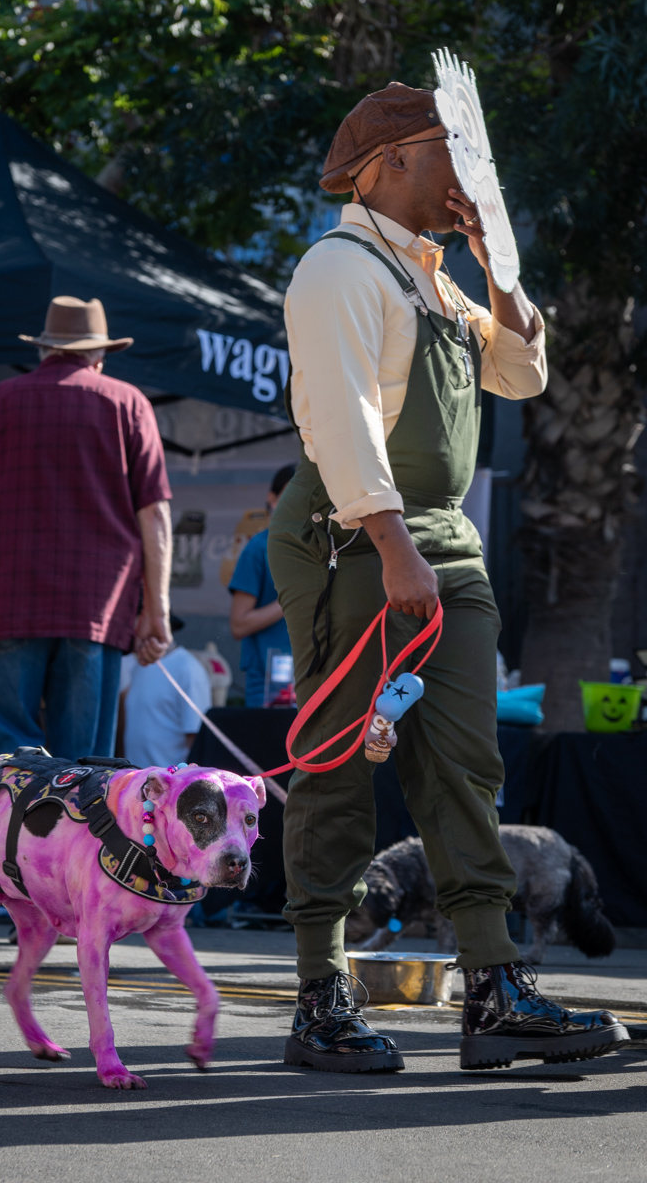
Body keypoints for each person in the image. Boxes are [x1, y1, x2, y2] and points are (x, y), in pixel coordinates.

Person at [268, 82, 626, 1072]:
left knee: (465, 769)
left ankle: (492, 988)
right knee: (338, 766)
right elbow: (338, 419)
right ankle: (318, 993)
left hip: (438, 541)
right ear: (388, 165)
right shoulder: (337, 270)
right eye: (449, 156)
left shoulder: (431, 276)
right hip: (354, 533)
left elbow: (519, 375)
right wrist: (388, 545)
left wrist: (494, 269)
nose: (469, 178)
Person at [0, 295, 172, 764]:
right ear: (100, 353)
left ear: (45, 349)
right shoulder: (128, 403)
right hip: (95, 607)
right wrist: (157, 611)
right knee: (84, 771)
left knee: (5, 765)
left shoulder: (0, 399)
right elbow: (154, 514)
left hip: (7, 604)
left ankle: (6, 837)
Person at [229, 465, 295, 706]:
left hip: (313, 681)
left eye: (304, 495)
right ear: (272, 499)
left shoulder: (320, 550)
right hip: (269, 690)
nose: (296, 502)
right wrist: (291, 598)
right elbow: (239, 624)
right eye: (290, 493)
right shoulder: (258, 549)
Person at [118, 617, 212, 767]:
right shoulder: (139, 665)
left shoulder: (187, 669)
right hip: (138, 782)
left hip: (169, 785)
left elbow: (197, 741)